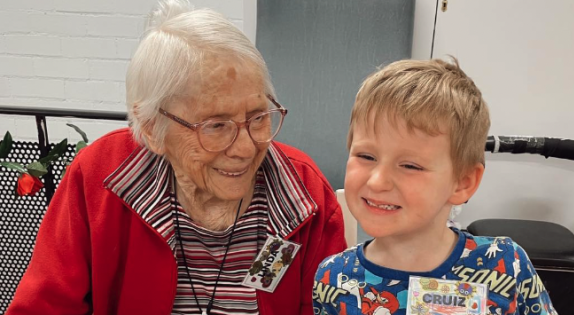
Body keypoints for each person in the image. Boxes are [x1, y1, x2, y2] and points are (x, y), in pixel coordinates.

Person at [7, 1, 346, 314]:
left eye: (258, 117)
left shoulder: (304, 195)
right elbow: (45, 306)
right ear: (152, 129)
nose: (245, 147)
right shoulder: (99, 178)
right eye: (216, 125)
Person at [312, 58, 557, 315]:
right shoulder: (332, 277)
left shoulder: (505, 263)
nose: (377, 181)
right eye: (366, 156)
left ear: (463, 182)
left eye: (410, 166)